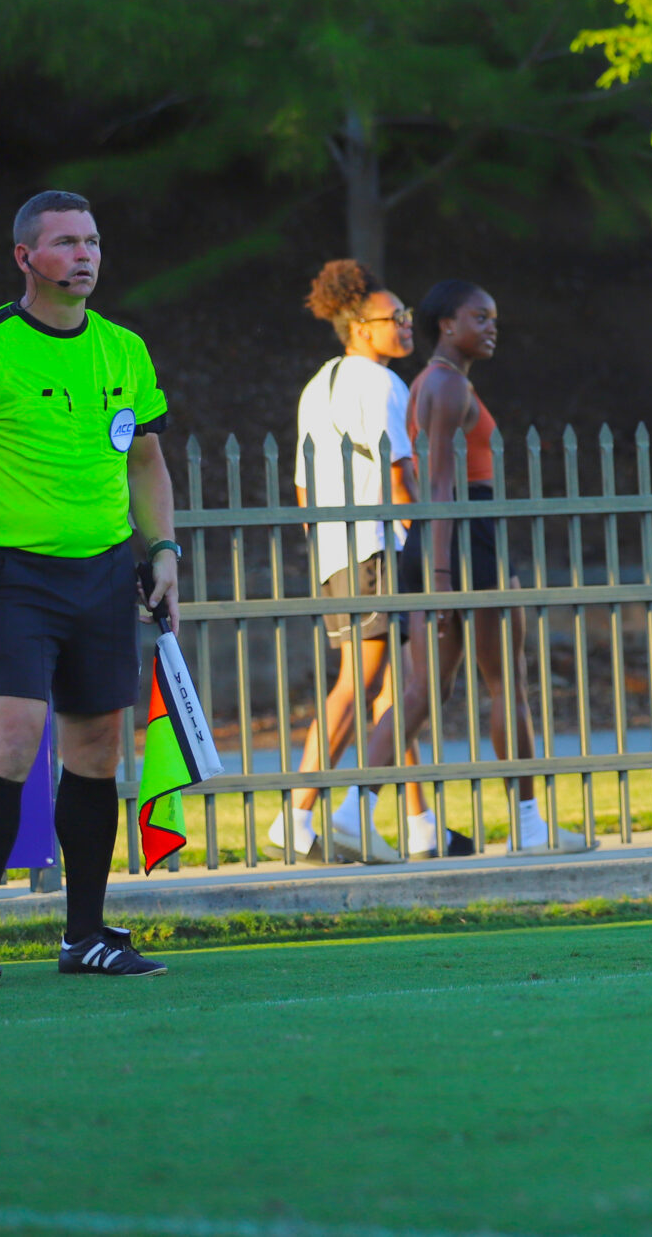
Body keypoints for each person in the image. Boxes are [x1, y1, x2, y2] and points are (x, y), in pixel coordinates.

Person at [0, 191, 177, 987]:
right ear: (24, 257)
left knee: (97, 753)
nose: (85, 254)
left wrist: (163, 547)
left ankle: (86, 935)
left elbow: (145, 461)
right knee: (9, 743)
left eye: (94, 240)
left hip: (104, 573)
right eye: (66, 242)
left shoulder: (124, 349)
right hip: (12, 575)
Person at [408, 279, 587, 854]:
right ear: (445, 324)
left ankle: (349, 805)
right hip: (467, 532)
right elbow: (437, 484)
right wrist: (439, 577)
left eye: (494, 318)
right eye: (479, 317)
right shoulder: (448, 386)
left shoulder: (437, 382)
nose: (491, 328)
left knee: (440, 686)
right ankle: (530, 826)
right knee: (505, 682)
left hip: (462, 535)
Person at [276, 260, 432, 865]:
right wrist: (428, 537)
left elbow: (303, 489)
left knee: (395, 687)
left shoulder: (319, 383)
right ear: (362, 328)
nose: (406, 325)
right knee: (361, 682)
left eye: (408, 316)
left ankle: (419, 823)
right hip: (377, 546)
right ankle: (296, 816)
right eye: (396, 318)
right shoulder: (383, 384)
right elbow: (400, 474)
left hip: (338, 549)